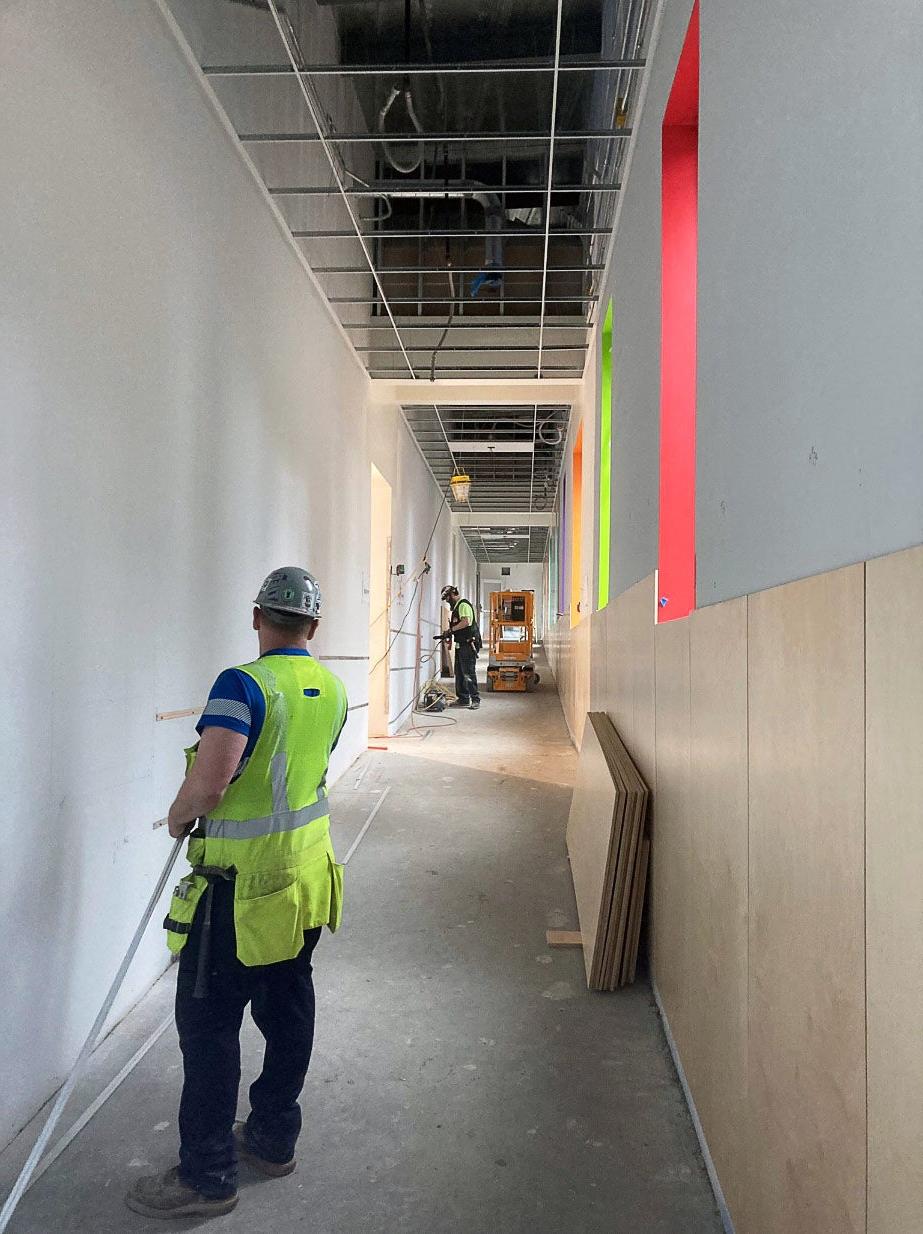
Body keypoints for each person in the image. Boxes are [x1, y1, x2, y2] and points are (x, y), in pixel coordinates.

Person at [126, 568, 348, 1220]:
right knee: (287, 1007)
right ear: (313, 627)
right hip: (302, 885)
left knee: (209, 1029)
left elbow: (213, 781)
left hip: (235, 894)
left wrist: (177, 813)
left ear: (258, 617)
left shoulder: (241, 685)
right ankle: (274, 1138)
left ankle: (206, 1176)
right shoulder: (331, 688)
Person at [440, 584, 481, 711]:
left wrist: (451, 630)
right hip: (461, 644)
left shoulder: (463, 605)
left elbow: (466, 621)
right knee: (459, 673)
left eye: (448, 599)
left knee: (468, 673)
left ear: (452, 595)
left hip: (469, 644)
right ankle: (463, 698)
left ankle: (475, 699)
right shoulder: (457, 608)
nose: (448, 602)